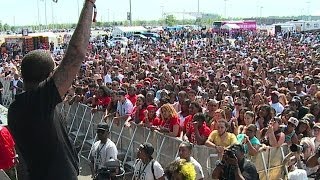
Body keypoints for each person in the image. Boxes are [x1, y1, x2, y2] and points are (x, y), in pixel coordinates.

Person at [7, 1, 96, 179]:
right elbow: (76, 53)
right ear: (49, 76)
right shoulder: (37, 104)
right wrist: (89, 4)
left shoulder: (17, 108)